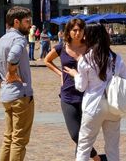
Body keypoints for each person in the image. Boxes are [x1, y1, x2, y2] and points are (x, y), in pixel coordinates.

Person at [63, 24, 126, 161]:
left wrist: (75, 74)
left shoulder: (85, 59)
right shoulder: (116, 58)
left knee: (84, 146)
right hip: (113, 105)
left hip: (93, 106)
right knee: (112, 147)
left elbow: (81, 87)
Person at [44, 18, 102, 160]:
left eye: (80, 30)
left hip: (87, 94)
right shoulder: (61, 47)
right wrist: (60, 74)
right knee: (75, 134)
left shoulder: (90, 47)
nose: (77, 33)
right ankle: (97, 158)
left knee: (85, 133)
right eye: (74, 30)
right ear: (68, 32)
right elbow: (47, 60)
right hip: (68, 95)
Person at [0, 6, 34, 161]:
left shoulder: (0, 41)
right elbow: (14, 56)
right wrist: (13, 73)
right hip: (21, 96)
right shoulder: (19, 39)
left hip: (7, 97)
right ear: (16, 22)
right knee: (19, 141)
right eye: (27, 21)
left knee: (8, 138)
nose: (30, 25)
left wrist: (5, 85)